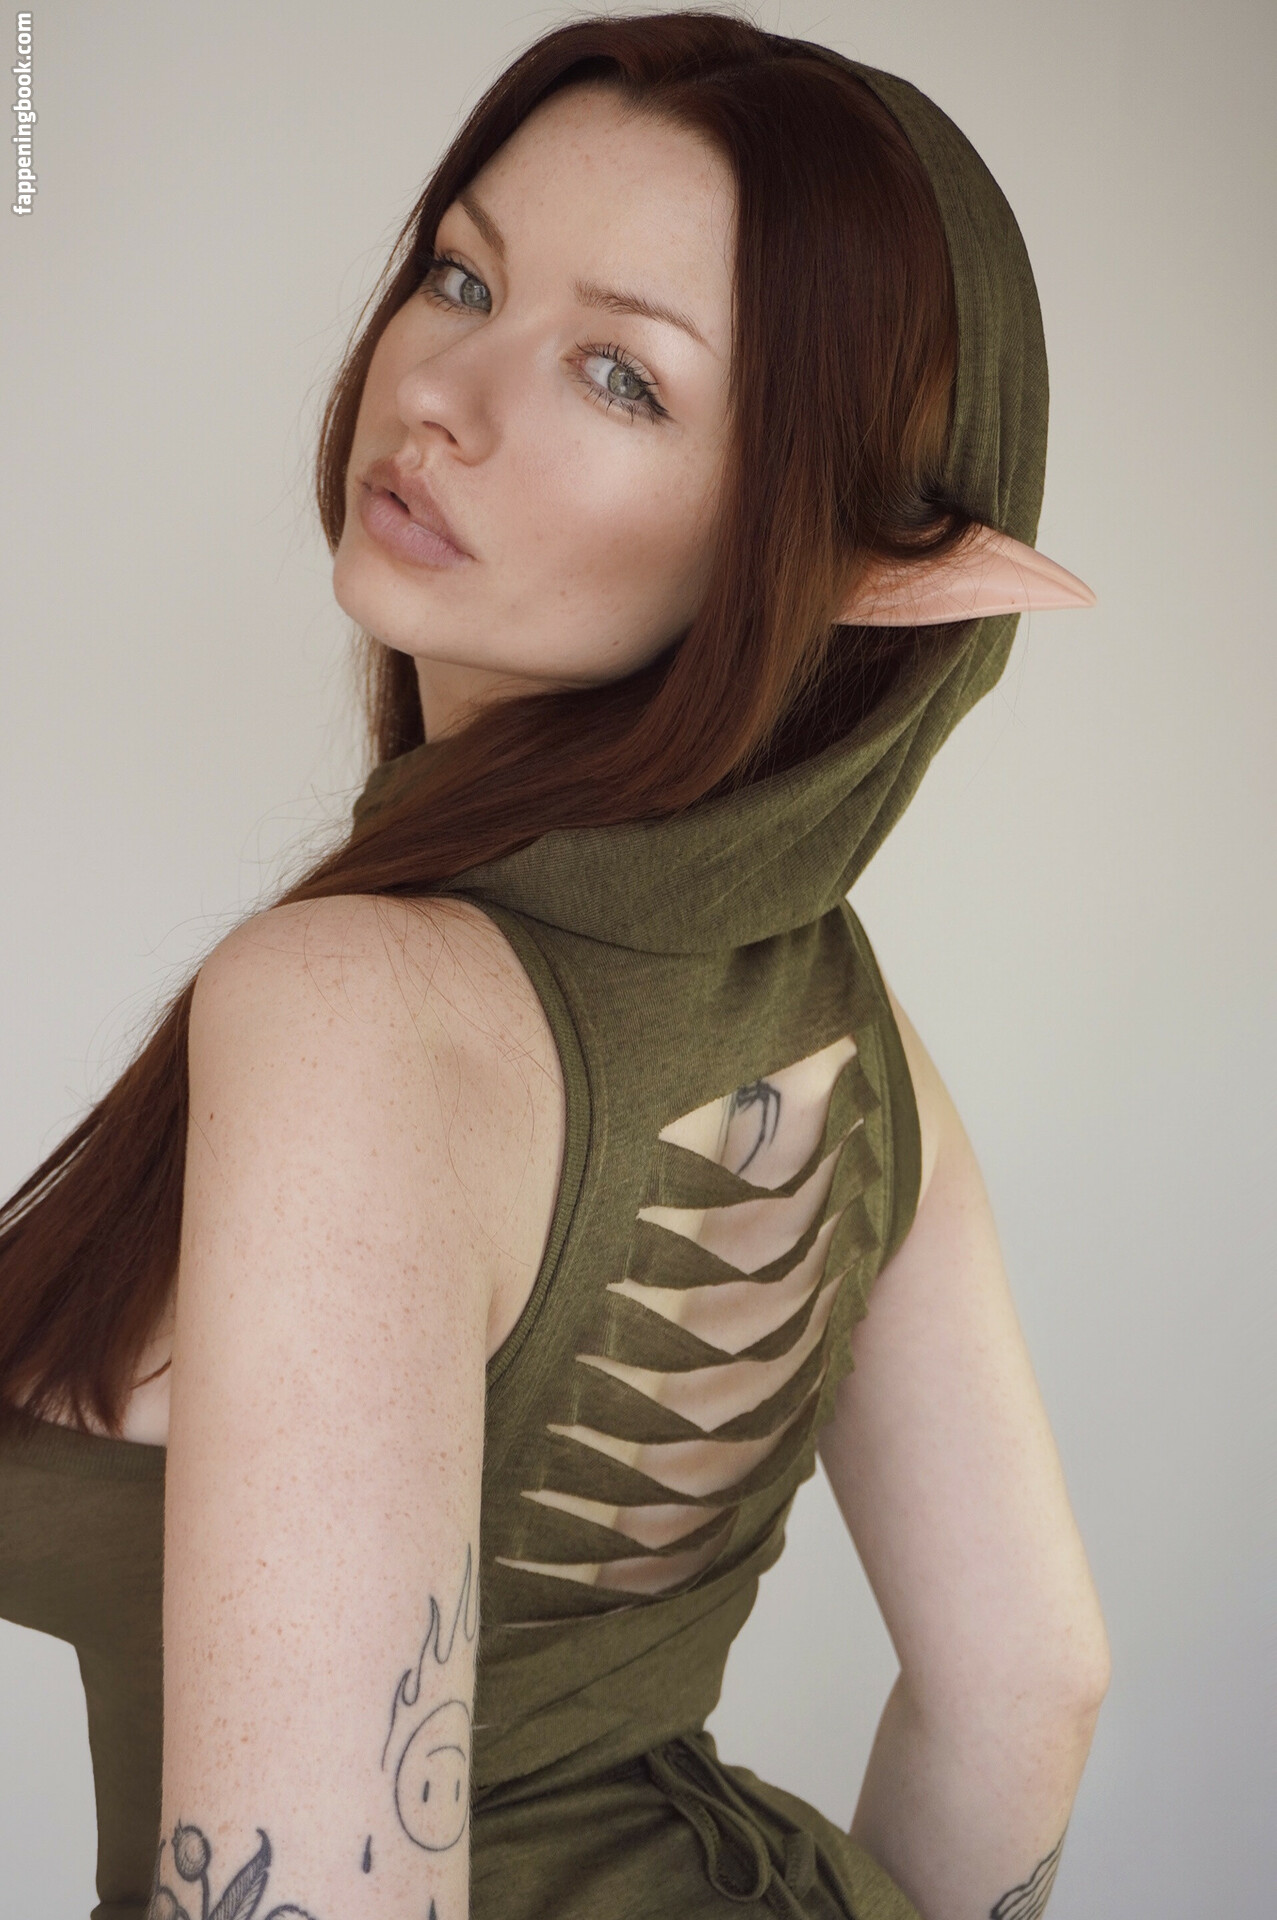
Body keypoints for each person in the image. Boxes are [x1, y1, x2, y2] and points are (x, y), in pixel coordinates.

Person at [0, 13, 1110, 1920]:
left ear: (851, 555)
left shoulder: (348, 1012)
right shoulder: (845, 1030)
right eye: (461, 275)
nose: (440, 392)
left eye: (620, 375)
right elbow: (1032, 1684)